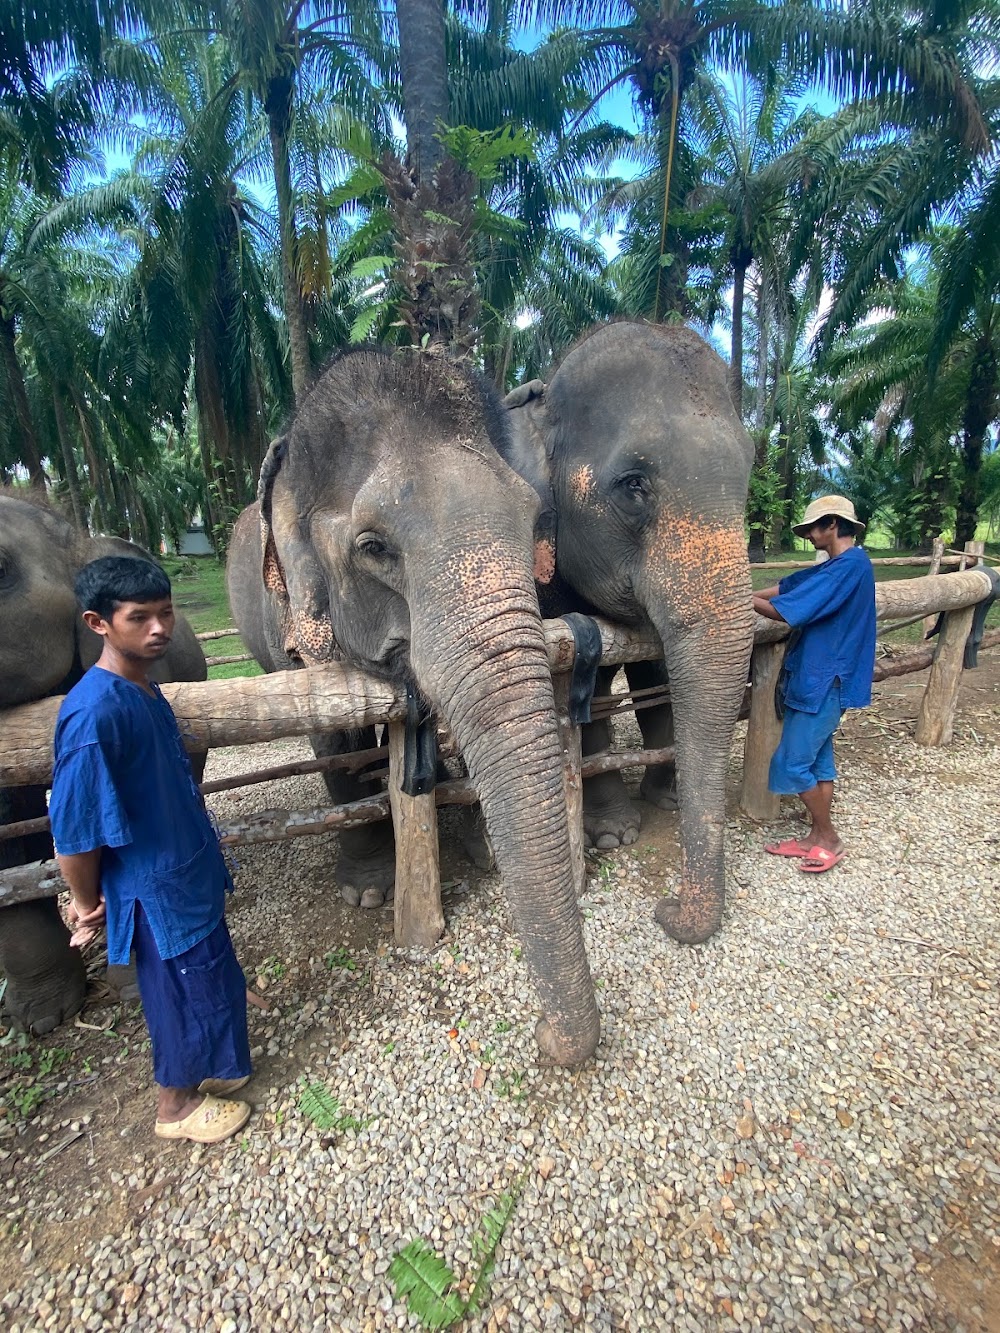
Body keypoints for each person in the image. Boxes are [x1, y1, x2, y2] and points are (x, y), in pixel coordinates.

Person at [49, 556, 252, 1143]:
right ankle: (176, 1107)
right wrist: (86, 904)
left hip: (183, 871)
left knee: (203, 972)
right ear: (98, 624)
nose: (159, 628)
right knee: (175, 990)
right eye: (139, 618)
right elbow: (75, 831)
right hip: (154, 888)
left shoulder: (140, 685)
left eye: (165, 614)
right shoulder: (94, 714)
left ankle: (213, 1070)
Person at [751, 496, 876, 873]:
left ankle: (828, 837)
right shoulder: (838, 566)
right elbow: (789, 585)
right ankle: (814, 836)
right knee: (820, 762)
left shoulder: (848, 568)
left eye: (812, 529)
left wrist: (741, 602)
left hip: (825, 680)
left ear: (833, 525)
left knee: (791, 762)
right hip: (817, 677)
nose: (808, 536)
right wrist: (750, 593)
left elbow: (786, 610)